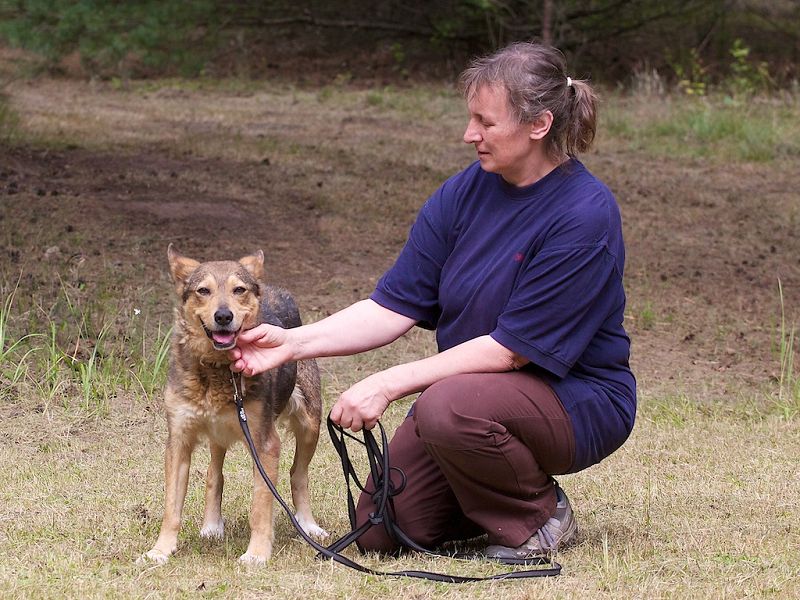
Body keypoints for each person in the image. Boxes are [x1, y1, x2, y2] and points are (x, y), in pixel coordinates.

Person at [230, 41, 636, 559]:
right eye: (471, 118)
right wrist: (292, 343)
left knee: (446, 407)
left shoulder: (584, 215)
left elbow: (511, 352)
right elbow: (391, 306)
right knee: (381, 530)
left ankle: (539, 517)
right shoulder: (465, 192)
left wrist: (387, 383)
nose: (470, 134)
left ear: (539, 125)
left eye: (486, 122)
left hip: (577, 399)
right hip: (476, 396)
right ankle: (483, 486)